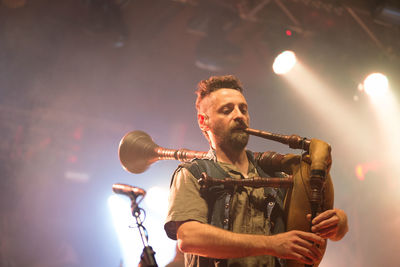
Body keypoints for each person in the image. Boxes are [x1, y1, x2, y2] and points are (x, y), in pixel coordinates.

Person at [164, 75, 348, 267]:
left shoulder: (278, 176)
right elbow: (189, 237)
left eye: (243, 109)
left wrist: (338, 224)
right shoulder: (192, 173)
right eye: (227, 110)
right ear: (203, 121)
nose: (239, 116)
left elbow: (317, 227)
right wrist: (271, 244)